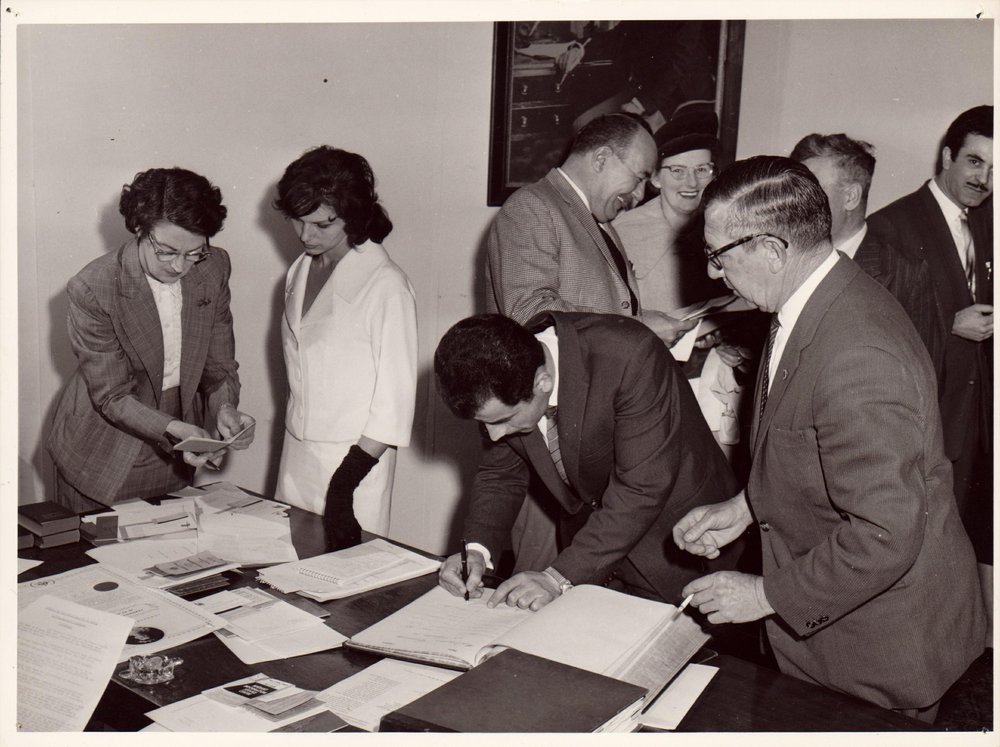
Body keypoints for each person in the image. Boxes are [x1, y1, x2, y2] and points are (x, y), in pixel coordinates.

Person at [672, 156, 986, 721]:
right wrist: (748, 505)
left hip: (877, 652)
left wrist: (763, 596)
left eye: (719, 255)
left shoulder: (855, 353)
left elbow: (886, 534)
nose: (715, 274)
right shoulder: (815, 299)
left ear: (771, 250)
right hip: (846, 635)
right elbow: (818, 446)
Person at [485, 112, 696, 574]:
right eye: (639, 177)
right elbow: (531, 315)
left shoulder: (597, 222)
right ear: (602, 158)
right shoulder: (533, 207)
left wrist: (646, 325)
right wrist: (639, 328)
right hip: (550, 441)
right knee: (536, 585)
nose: (641, 194)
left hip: (590, 441)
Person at [434, 312, 741, 611]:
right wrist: (475, 550)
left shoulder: (629, 354)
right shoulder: (500, 372)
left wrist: (557, 577)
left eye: (503, 420)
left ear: (542, 382)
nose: (494, 435)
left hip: (679, 546)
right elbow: (499, 474)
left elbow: (642, 488)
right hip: (593, 557)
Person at [48, 167, 255, 511]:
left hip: (177, 446)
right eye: (167, 251)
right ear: (139, 228)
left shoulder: (214, 267)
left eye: (193, 253)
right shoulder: (94, 287)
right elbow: (112, 396)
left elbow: (219, 367)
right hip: (103, 449)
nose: (179, 267)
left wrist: (225, 408)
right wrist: (176, 429)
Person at [867, 107, 993, 622]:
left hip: (977, 416)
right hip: (928, 419)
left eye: (995, 170)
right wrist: (949, 326)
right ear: (946, 156)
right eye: (974, 162)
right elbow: (875, 333)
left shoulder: (987, 221)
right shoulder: (892, 226)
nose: (984, 180)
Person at [273, 146, 417, 550]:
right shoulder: (299, 270)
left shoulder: (386, 285)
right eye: (299, 222)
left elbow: (395, 404)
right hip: (296, 454)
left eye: (323, 223)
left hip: (353, 465)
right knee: (282, 571)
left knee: (345, 584)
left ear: (353, 214)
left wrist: (343, 486)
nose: (306, 235)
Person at [614, 123, 757, 459]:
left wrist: (731, 339)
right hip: (651, 378)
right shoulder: (623, 231)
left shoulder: (735, 224)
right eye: (677, 171)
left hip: (722, 373)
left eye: (702, 170)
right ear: (655, 178)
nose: (691, 183)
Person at [790, 133, 943, 366]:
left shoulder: (906, 275)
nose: (795, 202)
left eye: (811, 190)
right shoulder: (785, 258)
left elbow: (923, 376)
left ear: (851, 197)